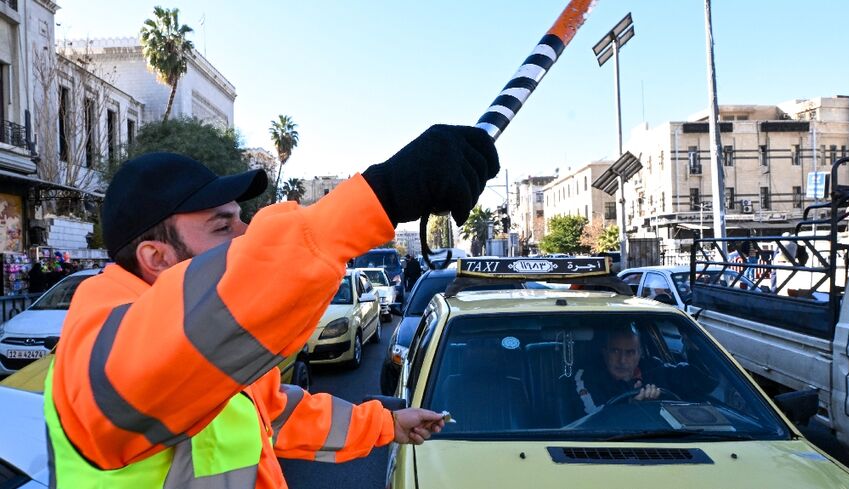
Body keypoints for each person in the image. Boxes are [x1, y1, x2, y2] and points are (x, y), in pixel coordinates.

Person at [47, 124, 499, 487]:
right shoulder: (97, 348)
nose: (244, 237)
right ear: (156, 258)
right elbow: (228, 296)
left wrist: (385, 425)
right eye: (223, 227)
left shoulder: (203, 353)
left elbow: (278, 414)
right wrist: (379, 197)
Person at [573, 323, 715, 416]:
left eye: (630, 352)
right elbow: (592, 418)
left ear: (639, 354)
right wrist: (631, 407)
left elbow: (705, 382)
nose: (622, 360)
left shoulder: (656, 370)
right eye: (615, 351)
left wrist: (695, 345)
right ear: (604, 352)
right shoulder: (588, 377)